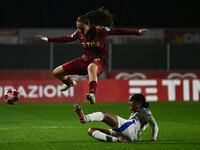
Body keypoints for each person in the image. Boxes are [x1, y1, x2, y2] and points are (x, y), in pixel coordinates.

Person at [36, 8, 149, 104]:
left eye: (82, 28)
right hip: (84, 60)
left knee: (91, 67)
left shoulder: (100, 31)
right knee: (56, 72)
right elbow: (67, 38)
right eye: (78, 28)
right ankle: (70, 84)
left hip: (100, 61)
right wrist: (48, 39)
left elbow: (118, 31)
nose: (80, 30)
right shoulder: (79, 33)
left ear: (89, 25)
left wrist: (136, 32)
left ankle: (92, 94)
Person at [74, 94, 158, 142]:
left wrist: (153, 139)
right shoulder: (137, 113)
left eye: (131, 101)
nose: (129, 103)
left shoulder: (145, 111)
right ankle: (116, 140)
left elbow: (154, 125)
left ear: (139, 103)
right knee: (91, 130)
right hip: (129, 134)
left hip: (129, 129)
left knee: (104, 114)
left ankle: (85, 118)